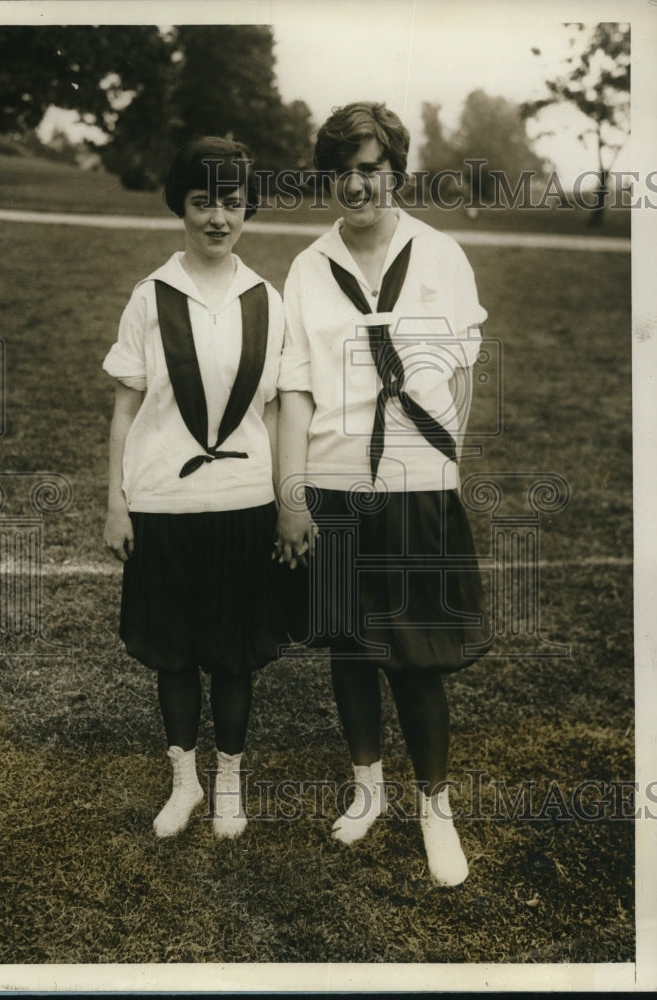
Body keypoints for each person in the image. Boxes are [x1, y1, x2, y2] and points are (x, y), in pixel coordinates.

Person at [276, 103, 491, 885]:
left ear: (395, 170)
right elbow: (294, 390)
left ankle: (436, 808)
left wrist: (440, 461)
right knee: (350, 645)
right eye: (341, 171)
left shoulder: (440, 255)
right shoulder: (308, 268)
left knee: (415, 655)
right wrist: (291, 495)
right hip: (333, 483)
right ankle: (367, 788)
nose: (356, 184)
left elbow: (461, 371)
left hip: (414, 484)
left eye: (370, 168)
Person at [103, 137, 285, 840]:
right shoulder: (150, 296)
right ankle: (185, 783)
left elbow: (274, 412)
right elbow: (125, 408)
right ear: (179, 205)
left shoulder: (266, 300)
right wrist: (116, 500)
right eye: (203, 201)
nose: (218, 217)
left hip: (243, 501)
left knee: (233, 655)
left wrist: (284, 503)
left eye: (232, 202)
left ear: (248, 209)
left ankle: (230, 784)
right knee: (174, 652)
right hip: (162, 502)